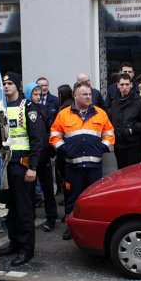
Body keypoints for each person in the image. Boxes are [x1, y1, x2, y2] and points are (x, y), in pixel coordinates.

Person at [50, 81, 115, 240]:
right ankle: (70, 228)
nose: (88, 97)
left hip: (94, 167)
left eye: (90, 94)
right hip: (73, 167)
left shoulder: (100, 113)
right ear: (75, 96)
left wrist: (102, 148)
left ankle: (92, 230)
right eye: (84, 94)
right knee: (72, 199)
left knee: (93, 200)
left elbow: (110, 134)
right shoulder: (63, 114)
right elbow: (54, 136)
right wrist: (64, 150)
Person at [0, 72, 46, 266]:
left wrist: (33, 167)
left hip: (22, 165)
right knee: (9, 208)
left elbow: (37, 140)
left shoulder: (27, 107)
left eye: (9, 83)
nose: (6, 86)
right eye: (4, 83)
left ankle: (27, 250)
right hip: (4, 166)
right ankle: (14, 243)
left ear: (17, 86)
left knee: (24, 210)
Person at [24, 82, 59, 231]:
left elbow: (49, 130)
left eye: (40, 94)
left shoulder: (44, 109)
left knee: (48, 189)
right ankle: (29, 218)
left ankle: (51, 218)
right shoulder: (23, 109)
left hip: (43, 155)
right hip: (29, 156)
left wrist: (50, 150)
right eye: (35, 94)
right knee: (28, 191)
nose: (38, 97)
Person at [108, 73, 141, 169]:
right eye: (122, 84)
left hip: (134, 147)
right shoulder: (114, 102)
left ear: (131, 85)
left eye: (127, 84)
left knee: (134, 174)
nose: (124, 87)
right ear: (117, 85)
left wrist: (133, 129)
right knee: (121, 174)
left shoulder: (139, 102)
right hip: (118, 146)